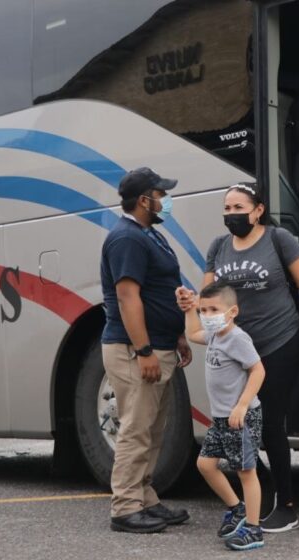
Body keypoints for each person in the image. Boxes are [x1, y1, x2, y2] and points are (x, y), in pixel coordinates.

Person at [178, 182, 299, 532]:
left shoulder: (279, 240)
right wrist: (190, 309)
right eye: (227, 208)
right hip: (236, 346)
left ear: (258, 210)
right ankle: (261, 486)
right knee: (236, 423)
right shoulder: (219, 247)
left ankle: (287, 506)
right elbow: (208, 296)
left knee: (269, 423)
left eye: (239, 208)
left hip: (278, 340)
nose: (232, 214)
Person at [101, 167, 193, 534]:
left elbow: (162, 289)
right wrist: (143, 350)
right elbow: (128, 298)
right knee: (136, 429)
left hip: (161, 343)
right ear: (143, 200)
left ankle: (145, 498)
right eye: (161, 194)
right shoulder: (126, 239)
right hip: (133, 349)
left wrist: (178, 335)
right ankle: (125, 507)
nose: (166, 200)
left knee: (154, 429)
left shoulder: (148, 234)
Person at [182, 281, 266, 551]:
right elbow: (193, 332)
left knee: (246, 471)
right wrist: (190, 309)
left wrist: (242, 405)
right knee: (205, 465)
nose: (207, 316)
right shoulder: (214, 336)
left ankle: (254, 529)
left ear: (232, 311)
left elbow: (258, 370)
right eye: (204, 310)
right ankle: (236, 508)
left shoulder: (237, 339)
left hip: (240, 418)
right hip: (220, 419)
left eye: (213, 310)